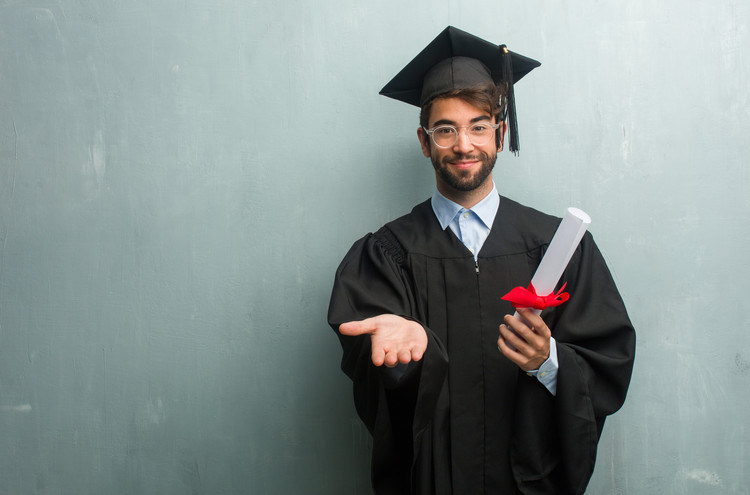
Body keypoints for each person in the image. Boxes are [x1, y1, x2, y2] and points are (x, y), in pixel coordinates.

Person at [327, 26, 635, 495]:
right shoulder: (388, 254)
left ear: (500, 132)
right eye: (445, 129)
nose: (464, 144)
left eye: (478, 126)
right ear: (424, 141)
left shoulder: (558, 246)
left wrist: (547, 361)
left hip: (529, 482)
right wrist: (406, 357)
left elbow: (608, 361)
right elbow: (373, 382)